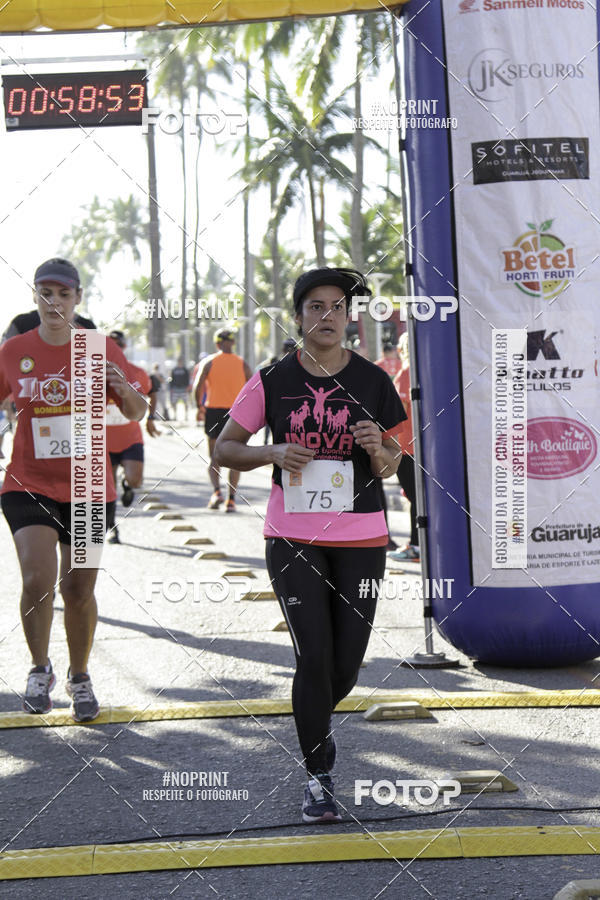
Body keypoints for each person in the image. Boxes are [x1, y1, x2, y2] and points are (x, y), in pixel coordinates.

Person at [214, 267, 405, 823]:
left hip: (363, 537)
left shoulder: (374, 380)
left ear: (350, 318)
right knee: (312, 656)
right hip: (291, 536)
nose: (326, 317)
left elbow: (392, 467)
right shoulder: (271, 379)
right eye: (315, 307)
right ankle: (318, 775)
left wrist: (377, 449)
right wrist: (272, 454)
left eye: (337, 308)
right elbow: (224, 449)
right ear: (298, 316)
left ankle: (316, 719)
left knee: (345, 665)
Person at [0, 258, 147, 721]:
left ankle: (78, 675)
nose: (53, 302)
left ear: (77, 299)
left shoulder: (100, 348)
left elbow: (139, 410)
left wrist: (124, 390)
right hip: (28, 481)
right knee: (38, 579)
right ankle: (39, 668)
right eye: (45, 293)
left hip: (88, 483)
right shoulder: (12, 350)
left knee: (79, 589)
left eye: (63, 294)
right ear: (35, 297)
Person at [106, 330, 159, 545]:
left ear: (124, 347)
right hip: (103, 442)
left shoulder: (136, 372)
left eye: (119, 344)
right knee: (106, 492)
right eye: (112, 343)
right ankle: (112, 529)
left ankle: (126, 485)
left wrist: (150, 418)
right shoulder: (91, 373)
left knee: (136, 480)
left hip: (130, 438)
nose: (116, 347)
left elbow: (152, 391)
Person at [193, 328, 252, 512]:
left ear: (217, 343)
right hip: (236, 414)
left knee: (215, 456)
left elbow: (198, 386)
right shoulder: (242, 363)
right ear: (233, 343)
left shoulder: (209, 362)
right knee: (235, 457)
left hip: (213, 412)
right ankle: (231, 500)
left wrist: (199, 407)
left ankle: (217, 492)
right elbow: (254, 387)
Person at [388, 332, 419, 562]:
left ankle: (416, 546)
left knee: (415, 499)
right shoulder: (428, 371)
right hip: (425, 448)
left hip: (407, 449)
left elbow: (397, 416)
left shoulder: (406, 374)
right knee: (421, 499)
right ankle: (420, 545)